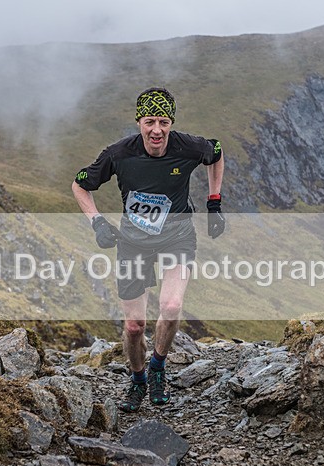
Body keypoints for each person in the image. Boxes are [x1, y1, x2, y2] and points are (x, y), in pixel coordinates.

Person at [71, 87, 225, 412]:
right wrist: (97, 223)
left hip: (177, 238)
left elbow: (217, 152)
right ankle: (138, 378)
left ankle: (157, 368)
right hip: (133, 244)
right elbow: (80, 184)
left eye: (164, 122)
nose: (157, 130)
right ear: (139, 122)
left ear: (171, 123)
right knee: (134, 326)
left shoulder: (188, 147)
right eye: (150, 122)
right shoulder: (118, 154)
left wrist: (214, 203)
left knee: (171, 306)